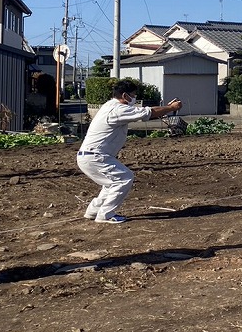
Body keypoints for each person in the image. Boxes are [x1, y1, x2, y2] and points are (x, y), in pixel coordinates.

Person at [77, 79, 183, 224]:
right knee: (124, 178)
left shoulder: (109, 105)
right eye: (133, 95)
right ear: (125, 95)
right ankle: (105, 215)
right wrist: (170, 108)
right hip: (96, 156)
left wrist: (166, 108)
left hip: (89, 156)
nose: (135, 98)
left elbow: (144, 112)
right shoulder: (118, 109)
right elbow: (148, 113)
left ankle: (93, 211)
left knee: (111, 183)